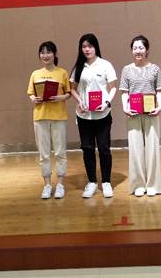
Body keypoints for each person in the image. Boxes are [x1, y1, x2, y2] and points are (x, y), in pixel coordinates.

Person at [70, 33, 117, 198]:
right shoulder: (78, 67)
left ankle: (106, 182)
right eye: (84, 46)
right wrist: (79, 101)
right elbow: (72, 89)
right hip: (84, 115)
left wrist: (107, 103)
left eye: (90, 46)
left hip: (103, 114)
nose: (87, 49)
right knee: (87, 149)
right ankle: (91, 182)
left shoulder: (105, 65)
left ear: (95, 47)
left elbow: (113, 87)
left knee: (104, 148)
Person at [119, 35, 161, 197]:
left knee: (152, 148)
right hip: (133, 113)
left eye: (141, 48)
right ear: (131, 51)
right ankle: (138, 184)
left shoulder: (155, 69)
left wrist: (160, 106)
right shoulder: (126, 70)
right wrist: (125, 107)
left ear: (147, 50)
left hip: (151, 112)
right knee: (135, 149)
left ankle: (153, 184)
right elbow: (124, 93)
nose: (138, 51)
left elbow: (159, 91)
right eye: (135, 48)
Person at [27, 41, 71, 199]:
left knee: (60, 152)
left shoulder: (62, 73)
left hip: (58, 117)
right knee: (44, 154)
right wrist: (33, 99)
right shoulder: (35, 74)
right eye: (42, 52)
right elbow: (31, 93)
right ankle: (47, 185)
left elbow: (68, 93)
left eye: (48, 52)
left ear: (55, 54)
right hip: (40, 117)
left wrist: (61, 97)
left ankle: (60, 184)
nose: (45, 55)